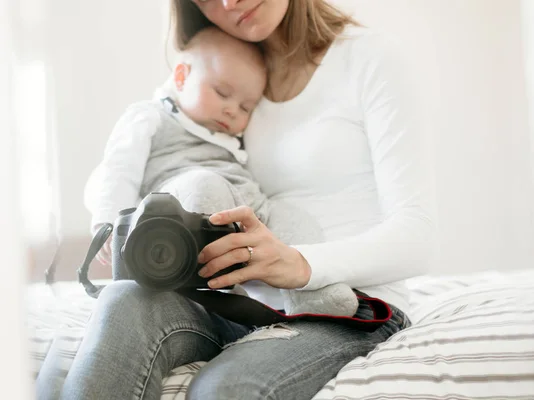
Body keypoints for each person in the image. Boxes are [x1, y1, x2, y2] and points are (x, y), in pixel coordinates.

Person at [36, 0, 436, 398]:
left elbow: (418, 236)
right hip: (239, 301)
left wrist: (300, 265)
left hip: (346, 304)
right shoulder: (225, 66)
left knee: (223, 389)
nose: (229, 3)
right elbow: (129, 156)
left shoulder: (370, 57)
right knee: (123, 301)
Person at [83, 25, 358, 318]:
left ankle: (315, 299)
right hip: (184, 211)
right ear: (181, 77)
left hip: (251, 210)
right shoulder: (151, 116)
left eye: (245, 107)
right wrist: (107, 221)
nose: (232, 110)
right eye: (222, 93)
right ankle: (219, 295)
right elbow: (118, 169)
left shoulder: (230, 137)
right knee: (203, 185)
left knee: (296, 220)